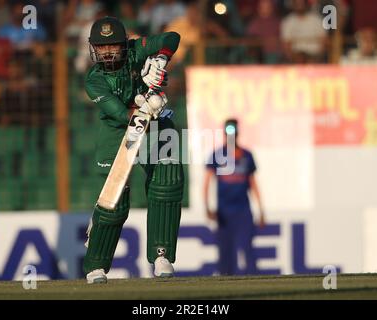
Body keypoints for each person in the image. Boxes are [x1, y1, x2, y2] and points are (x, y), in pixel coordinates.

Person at [82, 16, 183, 284]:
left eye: (113, 45)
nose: (107, 52)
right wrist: (148, 105)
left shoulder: (137, 50)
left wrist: (161, 59)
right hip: (118, 133)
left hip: (155, 126)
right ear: (93, 48)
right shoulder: (94, 81)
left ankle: (162, 257)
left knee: (168, 181)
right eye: (101, 47)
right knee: (115, 202)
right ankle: (96, 266)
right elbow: (122, 115)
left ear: (124, 44)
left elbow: (172, 37)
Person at [203, 119, 266, 275]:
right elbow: (207, 183)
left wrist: (261, 209)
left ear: (237, 134)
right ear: (224, 134)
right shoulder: (217, 155)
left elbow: (253, 184)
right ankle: (226, 283)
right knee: (225, 251)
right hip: (224, 212)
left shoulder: (246, 155)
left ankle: (253, 283)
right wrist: (207, 207)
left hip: (243, 210)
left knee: (247, 248)